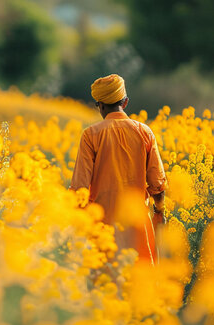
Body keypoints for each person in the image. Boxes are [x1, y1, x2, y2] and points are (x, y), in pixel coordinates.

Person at [70, 74, 167, 265]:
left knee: (105, 282)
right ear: (125, 102)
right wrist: (159, 212)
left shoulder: (91, 135)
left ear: (100, 105)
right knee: (138, 282)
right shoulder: (144, 132)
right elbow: (158, 184)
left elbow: (80, 187)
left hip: (102, 225)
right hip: (137, 224)